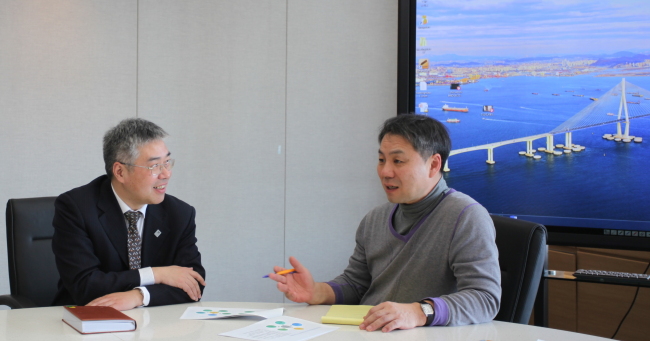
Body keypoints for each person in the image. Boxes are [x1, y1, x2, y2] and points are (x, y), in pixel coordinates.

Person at [268, 114, 500, 332]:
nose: (385, 171)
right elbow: (356, 285)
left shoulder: (466, 216)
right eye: (381, 160)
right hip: (369, 333)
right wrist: (316, 291)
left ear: (433, 164)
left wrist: (419, 311)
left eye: (398, 161)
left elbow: (484, 298)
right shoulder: (374, 219)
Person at [52, 118, 206, 311]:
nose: (166, 174)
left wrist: (139, 296)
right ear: (120, 172)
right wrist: (156, 274)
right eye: (155, 166)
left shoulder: (179, 214)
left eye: (167, 162)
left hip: (154, 324)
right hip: (85, 320)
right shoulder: (76, 208)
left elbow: (194, 285)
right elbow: (85, 285)